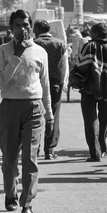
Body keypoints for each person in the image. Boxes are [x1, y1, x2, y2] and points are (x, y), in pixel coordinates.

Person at [0, 9, 53, 213]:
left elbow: (45, 85)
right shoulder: (3, 50)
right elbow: (2, 81)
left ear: (31, 27)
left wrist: (50, 115)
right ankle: (10, 194)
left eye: (26, 25)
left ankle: (27, 203)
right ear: (11, 28)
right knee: (9, 159)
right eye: (18, 25)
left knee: (30, 159)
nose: (23, 29)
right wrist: (17, 55)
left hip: (34, 108)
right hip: (10, 107)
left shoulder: (40, 52)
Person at [73, 23, 107, 162]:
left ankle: (95, 153)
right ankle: (103, 147)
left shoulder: (89, 46)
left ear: (94, 33)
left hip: (89, 90)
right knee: (104, 121)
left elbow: (81, 67)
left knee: (90, 121)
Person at [33, 19, 68, 160]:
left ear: (36, 30)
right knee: (52, 115)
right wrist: (63, 83)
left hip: (35, 83)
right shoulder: (60, 44)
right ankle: (49, 150)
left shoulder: (33, 43)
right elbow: (64, 66)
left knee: (35, 116)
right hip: (54, 83)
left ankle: (35, 149)